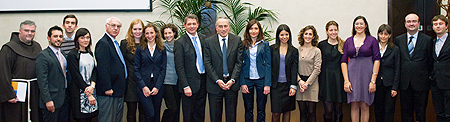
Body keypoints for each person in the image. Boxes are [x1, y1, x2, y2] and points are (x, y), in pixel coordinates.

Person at [0, 20, 42, 122]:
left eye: (32, 31)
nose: (29, 33)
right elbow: (3, 72)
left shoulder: (37, 46)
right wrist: (8, 94)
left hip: (33, 91)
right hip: (16, 94)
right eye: (26, 30)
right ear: (20, 31)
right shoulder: (8, 48)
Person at [203, 17, 243, 122]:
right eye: (220, 26)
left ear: (229, 27)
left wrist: (232, 80)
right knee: (215, 117)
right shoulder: (208, 42)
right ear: (216, 28)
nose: (223, 29)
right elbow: (207, 63)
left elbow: (239, 62)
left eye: (225, 26)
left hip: (231, 85)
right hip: (214, 85)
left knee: (231, 117)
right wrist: (217, 80)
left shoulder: (237, 40)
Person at [394, 13, 433, 122]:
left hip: (421, 83)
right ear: (405, 24)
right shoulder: (398, 40)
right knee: (406, 113)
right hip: (405, 83)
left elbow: (430, 61)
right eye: (409, 22)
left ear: (419, 23)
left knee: (421, 112)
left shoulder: (427, 40)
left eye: (414, 21)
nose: (411, 24)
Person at [341, 16, 380, 122]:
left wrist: (373, 80)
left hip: (367, 75)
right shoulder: (348, 41)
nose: (359, 26)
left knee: (365, 105)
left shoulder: (372, 40)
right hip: (352, 75)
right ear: (354, 26)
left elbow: (377, 60)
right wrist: (346, 80)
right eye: (357, 24)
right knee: (354, 105)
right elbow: (343, 61)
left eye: (361, 24)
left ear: (366, 26)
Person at [174, 14, 207, 122]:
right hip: (189, 84)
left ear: (197, 25)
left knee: (200, 113)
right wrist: (185, 86)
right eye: (189, 24)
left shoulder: (204, 39)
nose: (191, 26)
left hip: (203, 81)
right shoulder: (180, 42)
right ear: (184, 25)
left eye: (194, 24)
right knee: (189, 114)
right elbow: (179, 66)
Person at [95, 17, 127, 122]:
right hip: (108, 91)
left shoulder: (114, 42)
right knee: (107, 119)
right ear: (106, 26)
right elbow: (102, 68)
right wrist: (107, 87)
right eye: (113, 25)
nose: (116, 28)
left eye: (118, 26)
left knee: (116, 119)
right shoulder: (103, 43)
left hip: (117, 89)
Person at [36, 25, 71, 122]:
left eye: (60, 37)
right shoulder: (43, 56)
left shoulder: (62, 54)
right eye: (55, 36)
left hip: (64, 99)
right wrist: (47, 100)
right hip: (51, 101)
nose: (58, 39)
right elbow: (42, 81)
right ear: (48, 38)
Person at [240, 19, 271, 122]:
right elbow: (239, 64)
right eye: (251, 28)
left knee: (261, 109)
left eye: (256, 28)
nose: (253, 31)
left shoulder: (265, 44)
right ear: (248, 30)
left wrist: (267, 84)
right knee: (248, 109)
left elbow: (268, 65)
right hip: (247, 79)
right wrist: (242, 83)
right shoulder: (243, 44)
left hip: (261, 80)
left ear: (259, 30)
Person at [134, 23, 166, 122]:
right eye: (147, 33)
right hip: (144, 86)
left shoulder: (162, 49)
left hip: (157, 85)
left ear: (156, 33)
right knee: (150, 114)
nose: (149, 35)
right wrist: (143, 87)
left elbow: (163, 69)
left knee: (156, 114)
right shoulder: (140, 49)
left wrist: (157, 87)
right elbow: (136, 69)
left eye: (151, 32)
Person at [67, 28, 99, 122]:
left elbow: (94, 71)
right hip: (79, 93)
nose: (85, 40)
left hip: (92, 91)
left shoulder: (90, 53)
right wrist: (88, 93)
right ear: (77, 39)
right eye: (82, 38)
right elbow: (76, 76)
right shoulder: (72, 54)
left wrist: (92, 86)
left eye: (88, 37)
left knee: (91, 118)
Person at [318, 20, 346, 122]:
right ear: (326, 32)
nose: (333, 32)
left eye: (335, 30)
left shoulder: (343, 44)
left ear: (338, 31)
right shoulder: (321, 45)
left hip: (339, 80)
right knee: (328, 110)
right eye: (331, 30)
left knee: (338, 109)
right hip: (326, 80)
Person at [270, 24, 298, 122]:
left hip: (288, 86)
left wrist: (293, 86)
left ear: (289, 35)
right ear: (278, 36)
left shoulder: (294, 51)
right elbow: (269, 67)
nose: (284, 37)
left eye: (286, 34)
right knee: (276, 113)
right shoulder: (272, 49)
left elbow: (294, 69)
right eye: (282, 35)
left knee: (287, 111)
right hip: (275, 86)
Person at [120, 19, 145, 122]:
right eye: (135, 29)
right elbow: (121, 64)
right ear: (131, 30)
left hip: (144, 83)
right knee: (131, 112)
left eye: (140, 29)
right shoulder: (125, 43)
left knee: (144, 112)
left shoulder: (147, 44)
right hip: (130, 83)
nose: (137, 31)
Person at [373, 24, 399, 122]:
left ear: (390, 35)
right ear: (378, 35)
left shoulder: (395, 49)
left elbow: (397, 69)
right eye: (381, 33)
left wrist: (395, 87)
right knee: (378, 110)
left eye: (386, 34)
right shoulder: (374, 48)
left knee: (389, 110)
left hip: (390, 85)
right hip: (377, 84)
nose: (383, 36)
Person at [296, 25, 322, 122]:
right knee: (302, 112)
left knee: (311, 112)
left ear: (313, 36)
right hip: (300, 84)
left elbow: (317, 69)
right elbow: (293, 68)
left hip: (312, 84)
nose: (308, 36)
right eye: (306, 34)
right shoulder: (297, 50)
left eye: (310, 34)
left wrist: (307, 84)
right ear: (302, 36)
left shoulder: (317, 51)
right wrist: (300, 81)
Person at [431, 15, 450, 122]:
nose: (438, 26)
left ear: (446, 26)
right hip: (436, 83)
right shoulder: (432, 42)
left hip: (448, 83)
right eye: (435, 24)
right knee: (439, 113)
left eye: (440, 24)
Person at [160, 23, 181, 122]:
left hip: (178, 82)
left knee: (177, 110)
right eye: (165, 33)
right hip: (166, 82)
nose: (168, 35)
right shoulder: (161, 47)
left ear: (174, 33)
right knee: (172, 108)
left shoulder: (179, 45)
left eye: (170, 33)